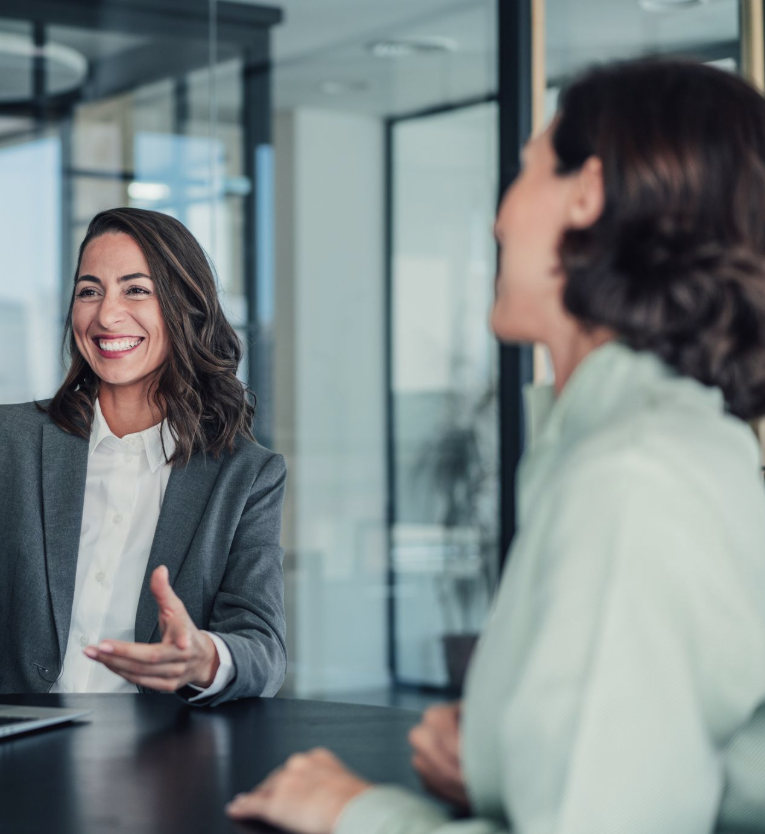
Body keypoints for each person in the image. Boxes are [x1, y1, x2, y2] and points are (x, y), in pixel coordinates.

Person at [227, 58, 765, 834]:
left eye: (524, 172)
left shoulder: (632, 478)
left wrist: (353, 812)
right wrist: (506, 769)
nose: (498, 217)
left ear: (587, 195)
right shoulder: (650, 446)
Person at [0, 207, 287, 705]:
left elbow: (262, 645)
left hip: (160, 754)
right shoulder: (7, 441)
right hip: (16, 744)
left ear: (186, 307)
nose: (106, 315)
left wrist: (206, 658)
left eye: (136, 289)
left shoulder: (246, 475)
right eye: (90, 291)